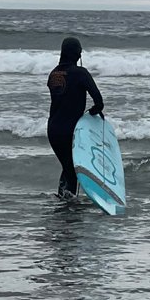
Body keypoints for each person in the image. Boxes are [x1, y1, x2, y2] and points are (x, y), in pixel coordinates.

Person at [46, 36, 103, 199]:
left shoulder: (53, 74)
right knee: (71, 170)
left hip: (53, 131)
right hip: (71, 131)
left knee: (68, 167)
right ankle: (68, 209)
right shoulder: (80, 73)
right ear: (78, 55)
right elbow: (99, 102)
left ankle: (62, 201)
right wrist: (92, 113)